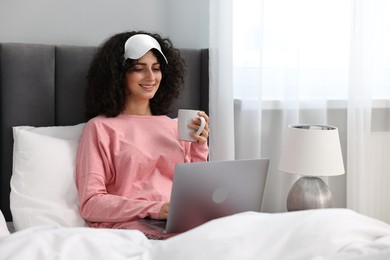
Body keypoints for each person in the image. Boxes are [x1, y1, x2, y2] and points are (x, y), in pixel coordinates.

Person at [76, 31, 209, 239]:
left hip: (182, 225)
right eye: (139, 69)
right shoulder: (100, 128)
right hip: (134, 230)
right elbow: (91, 203)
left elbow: (196, 191)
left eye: (156, 69)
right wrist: (156, 209)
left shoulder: (174, 126)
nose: (150, 77)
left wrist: (200, 146)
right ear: (119, 74)